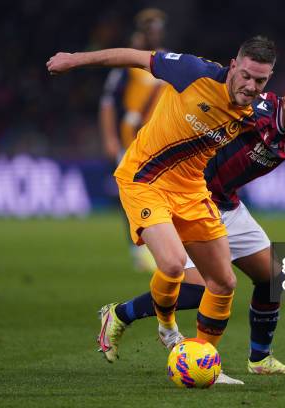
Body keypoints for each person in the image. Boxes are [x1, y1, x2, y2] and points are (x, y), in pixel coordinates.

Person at [92, 69, 285, 376]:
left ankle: (260, 360)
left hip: (227, 205)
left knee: (272, 277)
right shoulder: (252, 112)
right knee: (197, 290)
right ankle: (120, 315)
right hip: (192, 203)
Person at [47, 37, 277, 359]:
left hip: (191, 190)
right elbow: (133, 56)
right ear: (234, 65)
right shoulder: (192, 71)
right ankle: (168, 332)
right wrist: (74, 59)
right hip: (144, 179)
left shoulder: (257, 111)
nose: (251, 86)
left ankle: (204, 359)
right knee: (171, 264)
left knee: (222, 282)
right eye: (247, 75)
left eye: (260, 80)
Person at [99, 9, 167, 272]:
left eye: (159, 27)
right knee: (131, 195)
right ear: (142, 30)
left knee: (162, 194)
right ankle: (138, 249)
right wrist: (109, 138)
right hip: (132, 140)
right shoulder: (128, 63)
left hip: (162, 140)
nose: (156, 31)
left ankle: (162, 247)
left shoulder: (166, 59)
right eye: (151, 27)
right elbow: (107, 103)